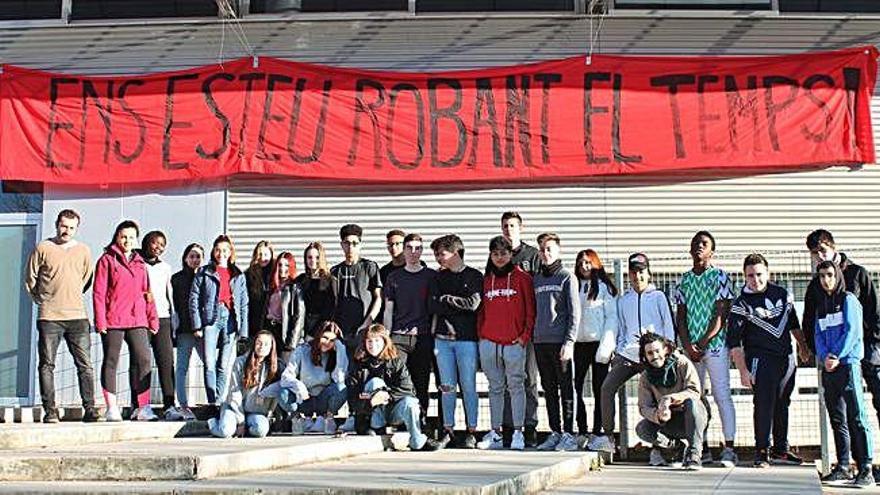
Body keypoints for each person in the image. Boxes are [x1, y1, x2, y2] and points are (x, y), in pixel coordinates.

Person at [727, 253, 811, 468]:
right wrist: (743, 371)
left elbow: (794, 324)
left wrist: (802, 346)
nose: (755, 280)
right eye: (750, 276)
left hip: (786, 359)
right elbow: (735, 343)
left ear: (768, 273)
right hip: (759, 360)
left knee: (783, 403)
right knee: (764, 405)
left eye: (759, 274)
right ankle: (761, 451)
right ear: (745, 276)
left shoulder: (782, 294)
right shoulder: (740, 304)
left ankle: (780, 450)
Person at [590, 253, 675, 453]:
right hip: (628, 355)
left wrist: (667, 350)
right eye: (634, 272)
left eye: (642, 272)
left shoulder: (658, 296)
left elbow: (668, 326)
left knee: (658, 397)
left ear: (649, 273)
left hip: (654, 356)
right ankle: (609, 437)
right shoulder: (623, 300)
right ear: (629, 274)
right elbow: (620, 327)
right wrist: (619, 350)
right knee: (606, 388)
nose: (638, 276)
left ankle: (661, 447)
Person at [802, 230, 880, 442]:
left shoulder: (857, 273)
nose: (820, 256)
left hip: (866, 350)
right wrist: (817, 350)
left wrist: (873, 346)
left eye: (822, 250)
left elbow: (874, 312)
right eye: (814, 254)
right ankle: (847, 463)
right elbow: (810, 321)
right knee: (841, 413)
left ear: (833, 247)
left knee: (874, 403)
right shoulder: (815, 285)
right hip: (835, 358)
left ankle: (867, 464)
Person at [25, 209, 99, 423]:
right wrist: (43, 299)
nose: (67, 230)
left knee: (84, 364)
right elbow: (31, 277)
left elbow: (86, 278)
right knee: (47, 364)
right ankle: (50, 411)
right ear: (57, 225)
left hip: (77, 316)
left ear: (77, 228)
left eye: (71, 227)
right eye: (64, 226)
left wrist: (71, 294)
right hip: (50, 317)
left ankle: (90, 408)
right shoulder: (43, 248)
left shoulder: (83, 250)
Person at [673, 231, 737, 466]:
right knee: (695, 398)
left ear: (712, 251)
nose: (699, 247)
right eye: (695, 243)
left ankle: (729, 448)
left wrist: (702, 342)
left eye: (704, 244)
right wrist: (688, 345)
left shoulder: (720, 276)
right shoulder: (683, 280)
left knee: (722, 395)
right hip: (691, 350)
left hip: (716, 346)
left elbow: (722, 313)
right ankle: (701, 447)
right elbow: (681, 316)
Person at [812, 260, 875, 487]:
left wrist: (837, 355)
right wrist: (825, 357)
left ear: (837, 275)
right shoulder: (821, 306)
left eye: (829, 274)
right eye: (821, 276)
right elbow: (818, 335)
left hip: (848, 365)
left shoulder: (849, 300)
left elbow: (852, 331)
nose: (826, 280)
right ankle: (843, 466)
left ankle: (866, 466)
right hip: (830, 369)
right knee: (837, 418)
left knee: (856, 416)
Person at [92, 220, 159, 422]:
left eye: (131, 237)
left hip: (138, 318)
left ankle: (143, 407)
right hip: (113, 320)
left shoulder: (140, 263)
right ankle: (111, 408)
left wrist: (152, 317)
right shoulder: (106, 260)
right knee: (111, 360)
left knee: (144, 360)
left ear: (136, 239)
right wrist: (100, 320)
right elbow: (99, 292)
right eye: (123, 236)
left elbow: (148, 292)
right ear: (117, 237)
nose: (127, 240)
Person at [476, 236, 535, 451]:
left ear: (511, 254)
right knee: (495, 388)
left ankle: (518, 432)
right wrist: (481, 335)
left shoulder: (523, 278)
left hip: (514, 342)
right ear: (490, 256)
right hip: (489, 342)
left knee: (516, 387)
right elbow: (481, 311)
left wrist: (523, 337)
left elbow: (531, 311)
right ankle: (496, 432)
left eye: (503, 253)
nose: (499, 258)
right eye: (495, 254)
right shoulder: (486, 279)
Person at [346, 324, 442, 451]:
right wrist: (370, 401)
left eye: (377, 341)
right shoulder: (358, 365)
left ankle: (417, 440)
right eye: (369, 341)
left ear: (384, 342)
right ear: (364, 343)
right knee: (375, 383)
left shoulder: (396, 362)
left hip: (393, 410)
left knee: (411, 402)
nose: (373, 345)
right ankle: (376, 426)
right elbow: (352, 398)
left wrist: (387, 395)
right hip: (368, 414)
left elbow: (408, 389)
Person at [428, 234, 483, 449]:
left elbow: (473, 304)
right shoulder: (437, 278)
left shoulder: (474, 276)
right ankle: (448, 429)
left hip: (467, 340)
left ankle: (472, 431)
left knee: (469, 385)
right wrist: (453, 303)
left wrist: (447, 299)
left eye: (441, 253)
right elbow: (433, 306)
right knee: (447, 387)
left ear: (456, 252)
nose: (438, 258)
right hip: (442, 340)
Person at [492, 211, 542, 446]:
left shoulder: (532, 255)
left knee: (528, 379)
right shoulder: (497, 254)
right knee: (505, 380)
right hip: (504, 331)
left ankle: (530, 425)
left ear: (521, 227)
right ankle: (509, 427)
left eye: (512, 225)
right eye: (505, 225)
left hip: (527, 329)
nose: (508, 229)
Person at [532, 233, 581, 452]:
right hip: (540, 342)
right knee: (548, 388)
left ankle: (569, 434)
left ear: (558, 250)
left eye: (549, 248)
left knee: (565, 388)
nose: (545, 253)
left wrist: (569, 342)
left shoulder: (566, 277)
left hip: (560, 343)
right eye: (542, 249)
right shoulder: (536, 279)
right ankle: (555, 432)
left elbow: (574, 313)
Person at [383, 233, 437, 425]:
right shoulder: (394, 277)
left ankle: (420, 419)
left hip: (422, 336)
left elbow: (435, 310)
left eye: (418, 248)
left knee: (421, 381)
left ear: (422, 251)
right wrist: (387, 337)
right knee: (397, 380)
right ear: (404, 250)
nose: (414, 252)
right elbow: (389, 309)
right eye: (410, 248)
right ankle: (397, 420)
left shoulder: (431, 276)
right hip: (399, 337)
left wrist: (431, 331)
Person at [190, 234, 249, 411]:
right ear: (213, 251)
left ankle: (219, 399)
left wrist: (243, 330)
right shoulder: (204, 272)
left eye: (225, 250)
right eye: (218, 249)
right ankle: (212, 401)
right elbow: (194, 298)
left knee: (224, 364)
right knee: (209, 362)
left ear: (230, 252)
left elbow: (244, 303)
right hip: (211, 318)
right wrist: (197, 324)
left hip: (231, 319)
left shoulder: (238, 274)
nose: (221, 253)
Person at [635, 333, 707, 471]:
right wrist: (658, 415)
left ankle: (694, 454)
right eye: (650, 353)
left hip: (693, 416)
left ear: (666, 350)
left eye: (657, 351)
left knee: (692, 403)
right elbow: (644, 406)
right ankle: (677, 448)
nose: (654, 356)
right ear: (645, 355)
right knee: (643, 429)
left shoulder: (682, 363)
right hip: (669, 421)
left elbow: (694, 391)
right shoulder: (645, 377)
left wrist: (669, 399)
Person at [573, 249, 618, 448]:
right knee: (576, 389)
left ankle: (599, 430)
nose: (584, 266)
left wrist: (606, 346)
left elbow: (611, 318)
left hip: (598, 344)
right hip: (577, 345)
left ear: (595, 264)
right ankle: (581, 430)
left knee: (601, 389)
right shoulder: (573, 285)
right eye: (581, 262)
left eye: (588, 262)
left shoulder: (603, 288)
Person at [278, 321, 348, 434]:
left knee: (341, 388)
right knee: (283, 393)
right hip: (304, 398)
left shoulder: (335, 354)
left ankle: (328, 418)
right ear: (318, 335)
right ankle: (297, 419)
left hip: (323, 399)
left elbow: (339, 380)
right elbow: (286, 377)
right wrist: (299, 385)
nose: (327, 343)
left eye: (332, 340)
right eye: (325, 338)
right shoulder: (302, 350)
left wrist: (340, 348)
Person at [208, 330, 280, 438]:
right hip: (234, 408)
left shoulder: (275, 367)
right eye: (259, 343)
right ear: (254, 344)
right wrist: (241, 421)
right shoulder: (240, 362)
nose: (262, 347)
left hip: (255, 412)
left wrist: (269, 414)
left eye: (266, 344)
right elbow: (234, 393)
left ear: (271, 347)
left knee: (261, 430)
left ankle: (245, 429)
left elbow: (275, 394)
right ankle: (213, 422)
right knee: (225, 432)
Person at [139, 230, 177, 419]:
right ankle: (139, 405)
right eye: (155, 243)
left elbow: (169, 294)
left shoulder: (165, 268)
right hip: (142, 318)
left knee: (166, 362)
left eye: (162, 245)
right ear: (147, 242)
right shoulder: (138, 264)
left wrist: (173, 319)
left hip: (163, 318)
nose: (158, 248)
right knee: (141, 362)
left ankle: (170, 404)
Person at [167, 243, 204, 421]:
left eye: (198, 256)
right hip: (184, 330)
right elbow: (174, 305)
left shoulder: (207, 277)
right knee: (182, 368)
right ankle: (182, 404)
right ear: (185, 258)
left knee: (211, 366)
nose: (195, 260)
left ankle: (213, 403)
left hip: (204, 332)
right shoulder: (177, 279)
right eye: (192, 256)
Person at [264, 251, 305, 359]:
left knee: (283, 366)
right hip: (269, 328)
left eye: (287, 265)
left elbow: (299, 316)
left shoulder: (295, 287)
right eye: (280, 265)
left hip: (284, 331)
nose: (283, 268)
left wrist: (292, 342)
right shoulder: (272, 285)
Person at [296, 242, 338, 337]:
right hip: (302, 327)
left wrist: (316, 331)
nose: (313, 260)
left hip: (322, 328)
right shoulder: (301, 280)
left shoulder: (331, 281)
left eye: (317, 257)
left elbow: (332, 308)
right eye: (309, 257)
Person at [245, 240, 275, 339]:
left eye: (266, 254)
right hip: (254, 322)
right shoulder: (249, 274)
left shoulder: (276, 273)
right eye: (260, 254)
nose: (263, 258)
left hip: (272, 323)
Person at [379, 229, 406, 320]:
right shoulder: (384, 271)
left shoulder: (417, 265)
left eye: (398, 244)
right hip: (391, 319)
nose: (393, 248)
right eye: (390, 244)